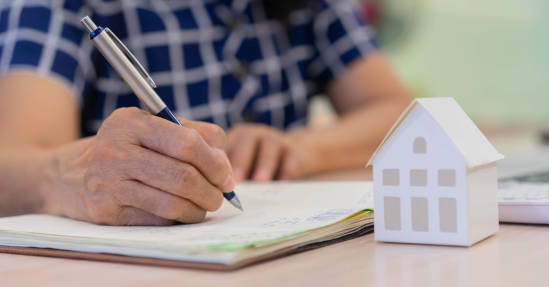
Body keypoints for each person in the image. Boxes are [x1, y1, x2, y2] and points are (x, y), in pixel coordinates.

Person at [0, 0, 411, 225]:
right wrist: (66, 174)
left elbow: (398, 112)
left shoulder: (312, 7)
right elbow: (11, 158)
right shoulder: (58, 6)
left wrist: (300, 149)